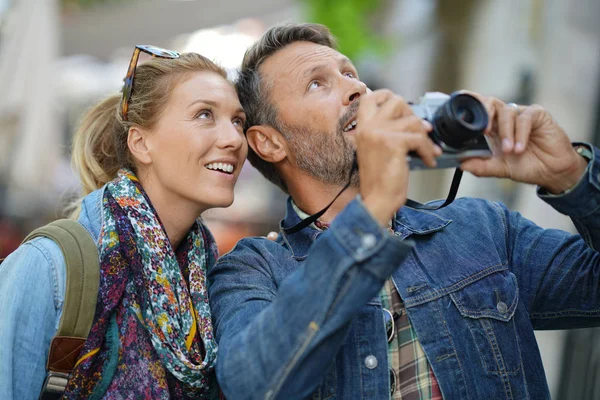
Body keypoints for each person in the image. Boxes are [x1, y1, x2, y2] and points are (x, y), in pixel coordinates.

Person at [208, 23, 600, 399]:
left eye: (351, 73)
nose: (357, 89)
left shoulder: (483, 228)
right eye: (317, 83)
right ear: (270, 143)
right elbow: (253, 384)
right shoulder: (252, 270)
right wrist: (374, 211)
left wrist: (574, 178)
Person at [0, 46, 248, 399]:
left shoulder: (211, 279)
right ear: (141, 143)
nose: (233, 139)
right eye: (205, 115)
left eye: (238, 121)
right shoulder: (50, 267)